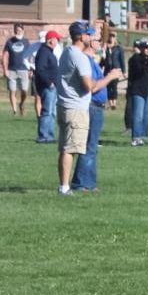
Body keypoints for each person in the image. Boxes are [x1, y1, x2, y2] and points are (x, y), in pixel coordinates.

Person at [54, 22, 108, 196]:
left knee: (65, 149)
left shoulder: (67, 52)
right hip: (76, 109)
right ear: (82, 36)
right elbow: (89, 86)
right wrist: (109, 78)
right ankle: (65, 187)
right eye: (88, 34)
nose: (91, 37)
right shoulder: (79, 57)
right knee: (71, 149)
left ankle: (64, 185)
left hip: (65, 106)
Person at [126, 36, 148, 143]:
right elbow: (139, 71)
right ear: (141, 48)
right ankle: (136, 137)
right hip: (138, 90)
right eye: (146, 47)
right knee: (138, 115)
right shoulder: (135, 59)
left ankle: (143, 136)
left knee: (147, 115)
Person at [32, 28, 61, 144]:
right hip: (47, 87)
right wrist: (49, 83)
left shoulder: (49, 52)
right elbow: (40, 69)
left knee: (52, 112)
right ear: (50, 40)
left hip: (53, 87)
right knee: (47, 111)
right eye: (56, 39)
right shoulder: (44, 51)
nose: (57, 41)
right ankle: (43, 136)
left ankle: (50, 135)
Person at [4, 22, 35, 117]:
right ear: (14, 30)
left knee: (24, 90)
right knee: (12, 91)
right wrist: (5, 69)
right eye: (17, 30)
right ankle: (14, 110)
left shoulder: (26, 42)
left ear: (23, 30)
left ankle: (21, 103)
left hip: (24, 69)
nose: (18, 31)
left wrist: (30, 69)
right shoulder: (9, 42)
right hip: (12, 70)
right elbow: (5, 56)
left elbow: (30, 56)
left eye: (20, 30)